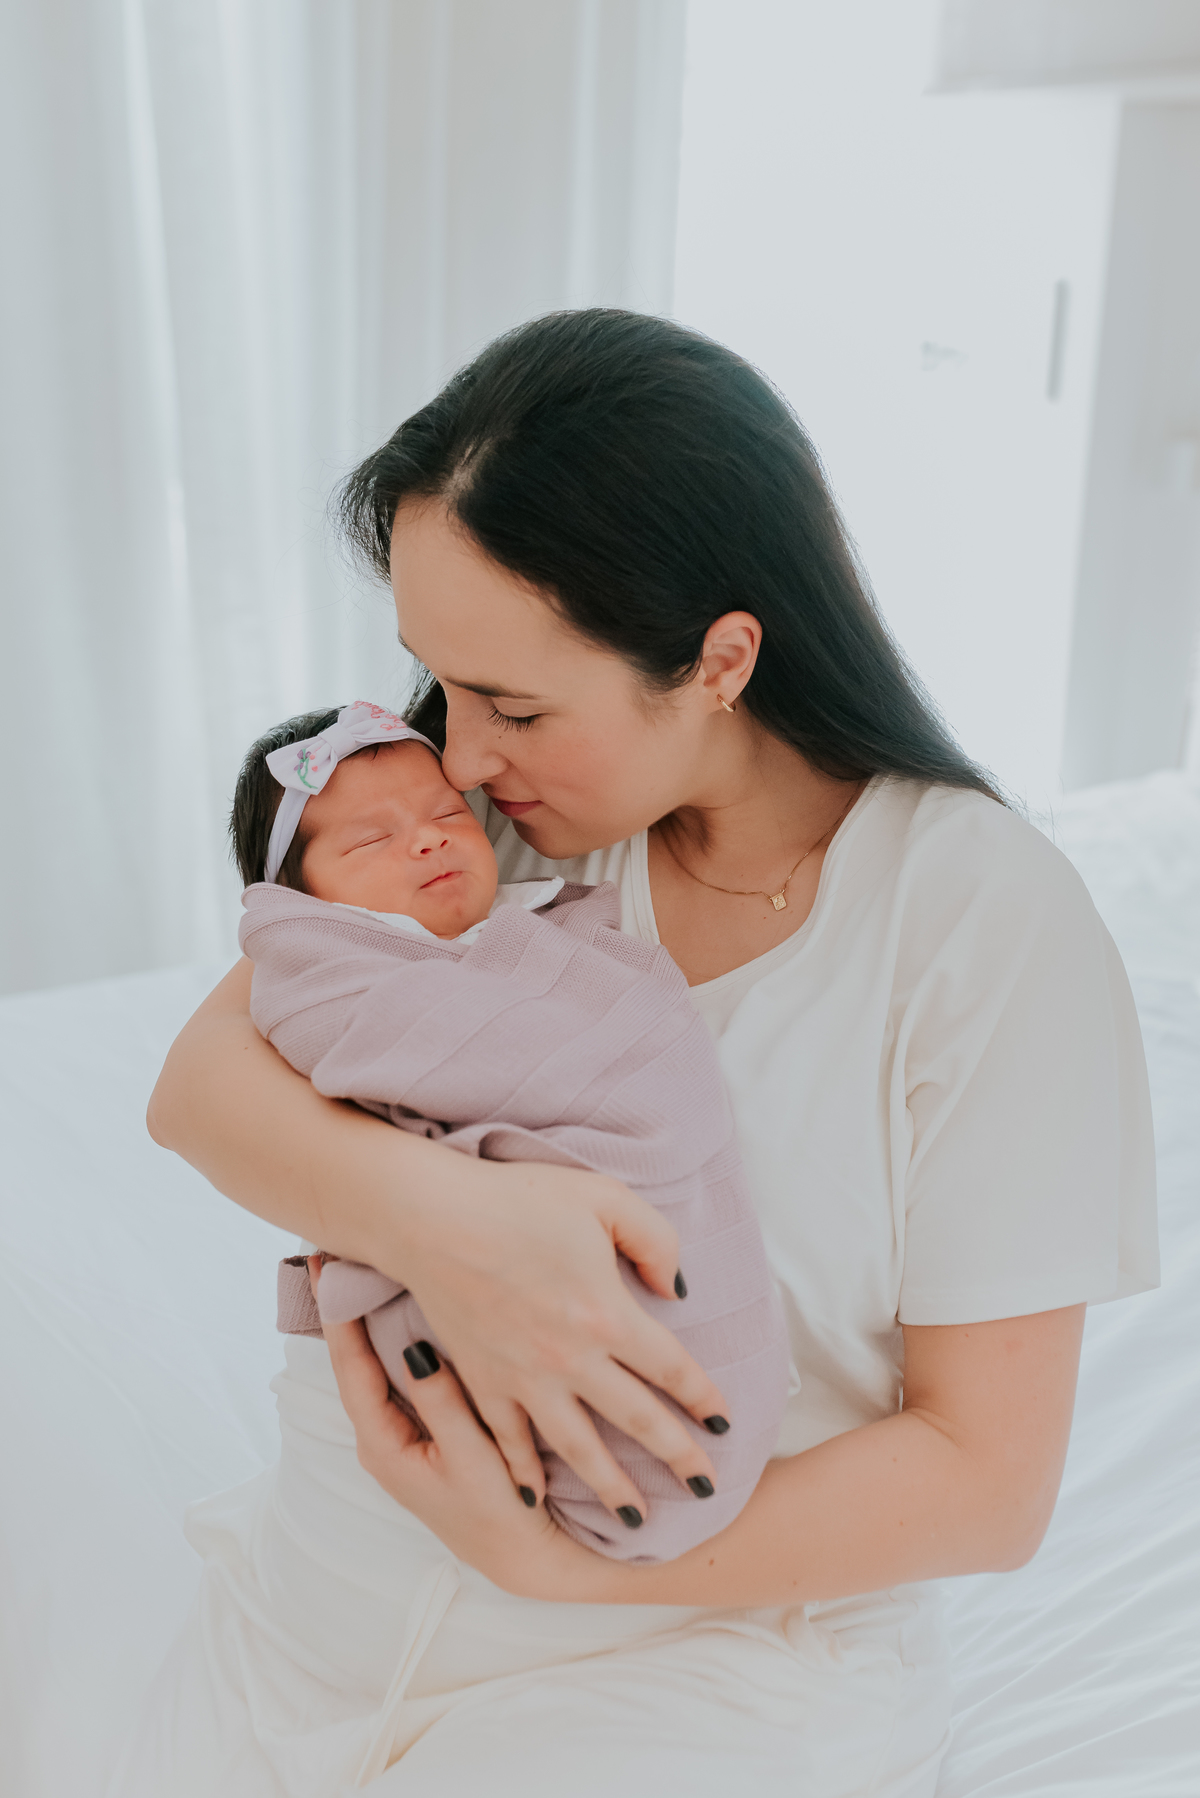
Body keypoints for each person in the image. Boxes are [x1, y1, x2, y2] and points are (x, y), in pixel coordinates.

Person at [132, 310, 1158, 1798]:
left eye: (515, 704)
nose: (455, 754)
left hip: (697, 1654)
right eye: (439, 678)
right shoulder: (488, 821)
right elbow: (199, 1088)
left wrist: (552, 1566)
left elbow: (986, 1479)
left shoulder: (977, 924)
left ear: (721, 659)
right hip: (325, 1613)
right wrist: (456, 1226)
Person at [229, 698, 789, 1563]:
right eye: (371, 841)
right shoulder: (329, 976)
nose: (428, 840)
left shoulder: (558, 930)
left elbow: (651, 1064)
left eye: (448, 815)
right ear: (301, 902)